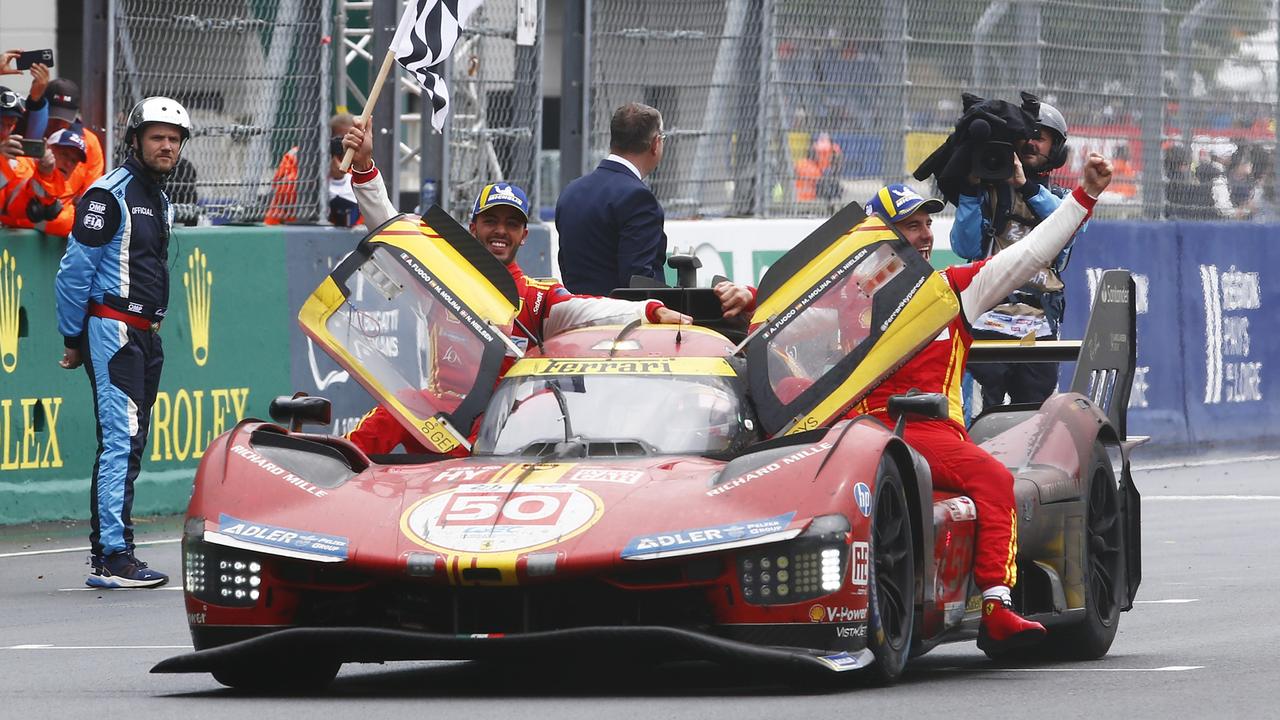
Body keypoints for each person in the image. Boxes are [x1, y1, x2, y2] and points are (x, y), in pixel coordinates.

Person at [715, 155, 1113, 652]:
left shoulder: (950, 291)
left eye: (928, 224)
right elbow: (785, 317)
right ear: (877, 238)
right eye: (911, 225)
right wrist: (744, 298)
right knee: (988, 477)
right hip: (854, 437)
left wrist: (1085, 198)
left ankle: (995, 604)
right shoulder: (844, 297)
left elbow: (1029, 255)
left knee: (992, 479)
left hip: (926, 433)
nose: (925, 235)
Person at [339, 120, 691, 455]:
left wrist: (651, 310)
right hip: (439, 418)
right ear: (473, 226)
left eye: (511, 224)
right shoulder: (440, 274)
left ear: (524, 235)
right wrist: (366, 165)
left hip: (504, 432)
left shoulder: (539, 298)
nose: (500, 232)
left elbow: (594, 309)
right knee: (397, 407)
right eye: (490, 221)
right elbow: (389, 232)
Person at [54, 96, 192, 589]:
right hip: (112, 330)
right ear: (134, 139)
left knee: (130, 442)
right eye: (157, 136)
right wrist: (73, 337)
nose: (166, 146)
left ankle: (116, 551)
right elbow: (72, 274)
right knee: (119, 441)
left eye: (174, 139)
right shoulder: (106, 195)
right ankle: (113, 556)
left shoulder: (160, 197)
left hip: (145, 335)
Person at [951, 101, 1079, 410]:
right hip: (987, 325)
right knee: (981, 418)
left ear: (1057, 147)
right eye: (1029, 135)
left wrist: (1026, 186)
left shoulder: (1063, 200)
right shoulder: (988, 192)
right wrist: (970, 191)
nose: (1033, 142)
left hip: (1039, 327)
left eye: (1043, 136)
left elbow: (1066, 227)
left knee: (1036, 420)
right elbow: (965, 247)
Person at [555, 102, 669, 296]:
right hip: (622, 322)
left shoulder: (571, 192)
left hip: (576, 316)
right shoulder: (639, 198)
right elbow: (638, 282)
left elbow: (566, 265)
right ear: (655, 143)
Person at [264, 112, 354, 225]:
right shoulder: (298, 155)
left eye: (353, 139)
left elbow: (361, 204)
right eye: (342, 139)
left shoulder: (357, 162)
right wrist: (321, 175)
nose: (348, 144)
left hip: (340, 228)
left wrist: (340, 179)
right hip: (287, 225)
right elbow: (282, 193)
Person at [0, 85, 63, 228]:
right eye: (0, 123)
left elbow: (22, 209)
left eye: (10, 125)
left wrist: (45, 175)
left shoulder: (19, 160)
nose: (4, 132)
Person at [1, 126, 82, 235]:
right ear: (47, 148)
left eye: (74, 160)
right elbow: (13, 208)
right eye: (64, 154)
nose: (68, 164)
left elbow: (65, 224)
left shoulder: (69, 192)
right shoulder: (20, 165)